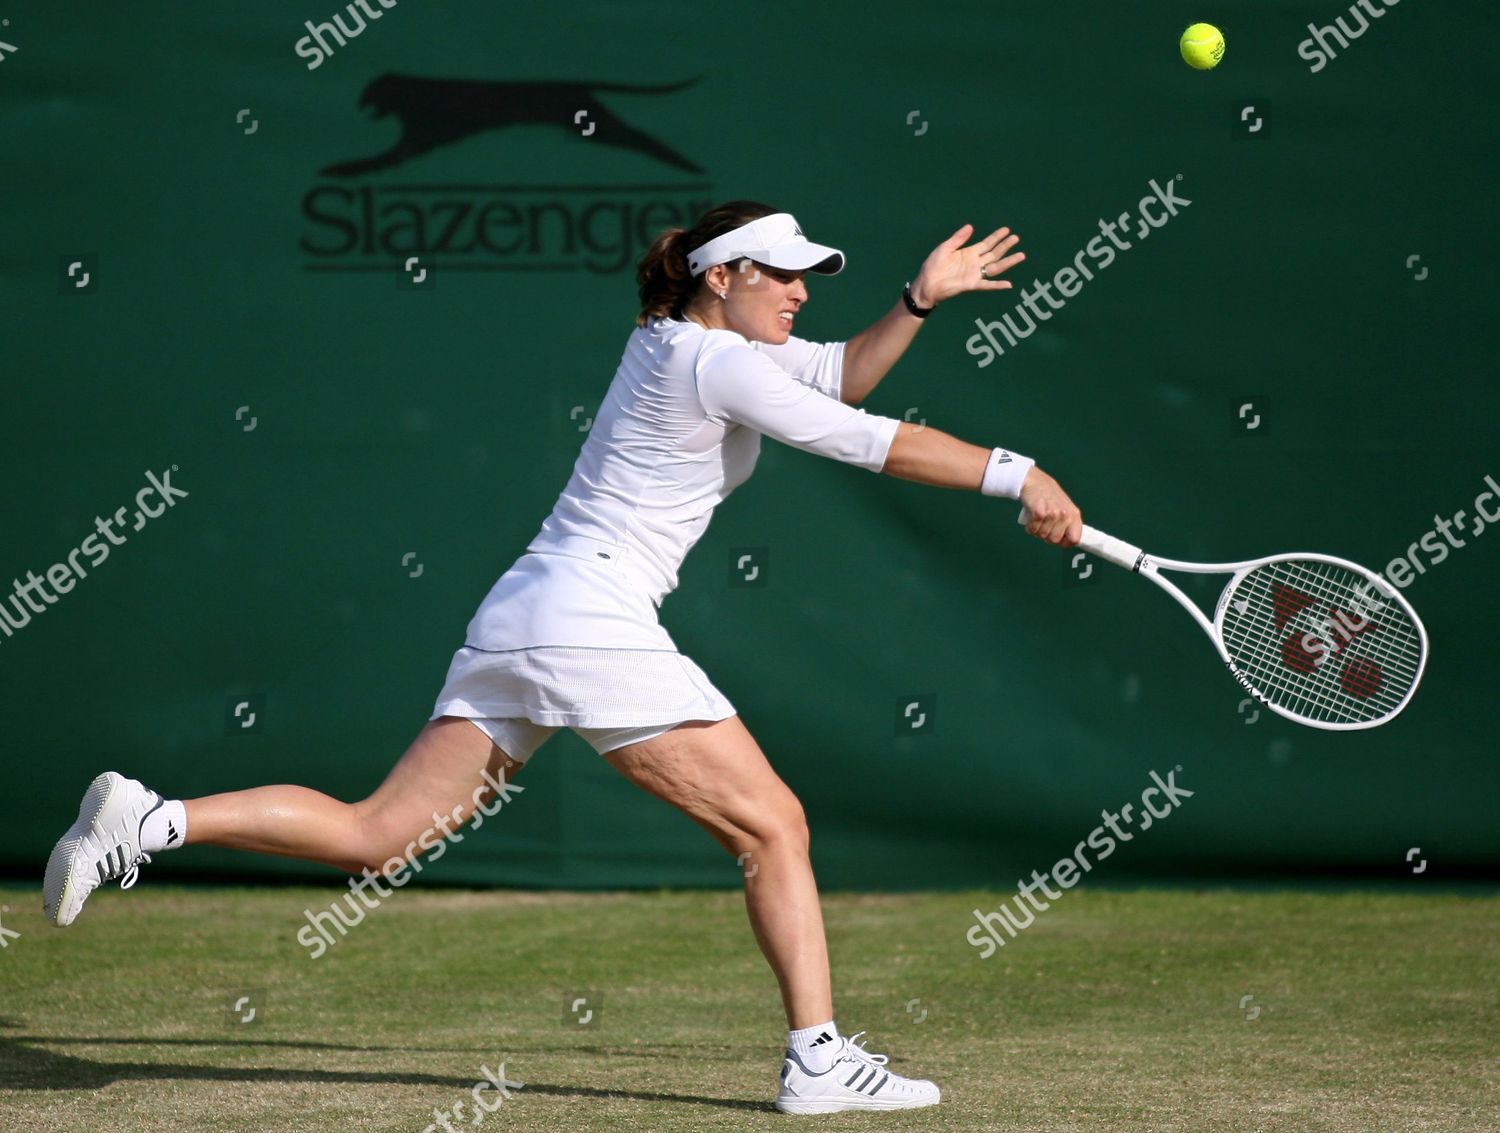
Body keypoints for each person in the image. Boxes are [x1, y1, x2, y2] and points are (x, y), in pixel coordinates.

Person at [43, 200, 1082, 1115]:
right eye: (785, 273)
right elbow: (865, 438)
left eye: (810, 275)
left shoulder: (686, 341)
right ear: (724, 276)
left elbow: (842, 377)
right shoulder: (716, 360)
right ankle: (815, 1058)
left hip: (528, 609)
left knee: (380, 835)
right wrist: (1018, 472)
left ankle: (151, 816)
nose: (803, 292)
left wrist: (917, 297)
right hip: (593, 618)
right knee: (776, 823)